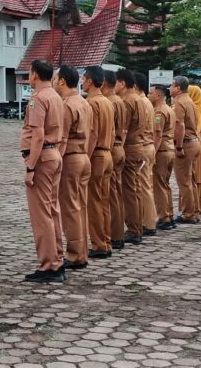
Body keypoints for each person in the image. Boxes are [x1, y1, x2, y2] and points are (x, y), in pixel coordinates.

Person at [20, 60, 65, 283]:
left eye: (30, 73)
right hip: (54, 154)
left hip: (41, 158)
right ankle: (57, 258)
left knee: (42, 215)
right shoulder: (56, 96)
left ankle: (49, 265)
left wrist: (30, 166)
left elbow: (37, 136)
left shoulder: (37, 99)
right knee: (52, 210)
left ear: (35, 75)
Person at [53, 65, 91, 270]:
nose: (53, 82)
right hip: (84, 157)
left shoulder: (66, 105)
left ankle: (75, 254)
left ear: (62, 81)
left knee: (70, 209)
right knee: (80, 207)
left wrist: (55, 162)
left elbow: (63, 138)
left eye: (54, 79)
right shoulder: (84, 102)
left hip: (71, 158)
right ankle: (82, 251)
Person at [82, 65, 114, 259]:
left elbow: (92, 133)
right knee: (103, 201)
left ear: (90, 81)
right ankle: (106, 241)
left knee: (94, 202)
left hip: (97, 155)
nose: (82, 82)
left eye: (84, 79)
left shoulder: (92, 103)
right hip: (107, 153)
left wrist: (86, 156)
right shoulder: (107, 102)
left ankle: (98, 244)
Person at [116, 69, 147, 245]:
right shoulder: (139, 99)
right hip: (139, 146)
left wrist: (118, 147)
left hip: (129, 147)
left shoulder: (127, 101)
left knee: (129, 191)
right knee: (135, 189)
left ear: (122, 84)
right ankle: (137, 227)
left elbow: (124, 129)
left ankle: (134, 229)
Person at [170, 76, 201, 224]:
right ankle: (194, 210)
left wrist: (178, 146)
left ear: (178, 88)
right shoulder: (190, 100)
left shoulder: (179, 102)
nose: (169, 88)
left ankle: (188, 213)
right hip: (194, 142)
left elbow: (180, 125)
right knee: (191, 180)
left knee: (184, 181)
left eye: (171, 86)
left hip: (186, 144)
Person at [103, 70, 127, 250]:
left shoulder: (109, 102)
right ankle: (117, 234)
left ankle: (114, 235)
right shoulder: (119, 100)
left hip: (111, 148)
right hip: (120, 147)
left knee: (110, 195)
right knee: (117, 193)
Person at [133, 72, 157, 236]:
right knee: (145, 185)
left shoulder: (140, 102)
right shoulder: (146, 101)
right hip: (148, 145)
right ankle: (146, 220)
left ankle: (148, 223)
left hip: (143, 145)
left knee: (144, 186)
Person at [149, 84, 175, 230]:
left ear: (158, 96)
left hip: (162, 151)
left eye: (150, 93)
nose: (148, 96)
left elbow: (158, 134)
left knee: (159, 186)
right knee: (165, 184)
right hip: (169, 149)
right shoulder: (169, 109)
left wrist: (153, 152)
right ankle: (169, 214)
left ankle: (164, 217)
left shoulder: (159, 112)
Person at [188, 85, 201, 214]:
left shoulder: (193, 108)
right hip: (200, 142)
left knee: (195, 174)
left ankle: (197, 204)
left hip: (193, 141)